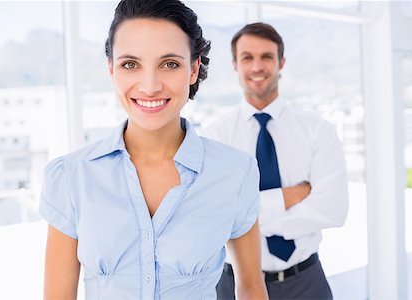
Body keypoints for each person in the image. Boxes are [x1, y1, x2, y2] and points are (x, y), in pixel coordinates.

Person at [39, 1, 268, 299]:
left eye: (169, 64)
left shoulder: (235, 173)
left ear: (193, 69)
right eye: (130, 64)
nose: (149, 86)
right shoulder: (71, 177)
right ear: (111, 69)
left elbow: (250, 287)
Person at [203, 22, 349, 299]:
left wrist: (245, 217)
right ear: (235, 64)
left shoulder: (318, 130)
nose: (257, 66)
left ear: (281, 63)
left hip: (305, 282)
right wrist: (288, 197)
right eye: (247, 57)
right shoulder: (215, 136)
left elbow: (333, 209)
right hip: (232, 286)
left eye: (266, 57)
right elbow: (215, 218)